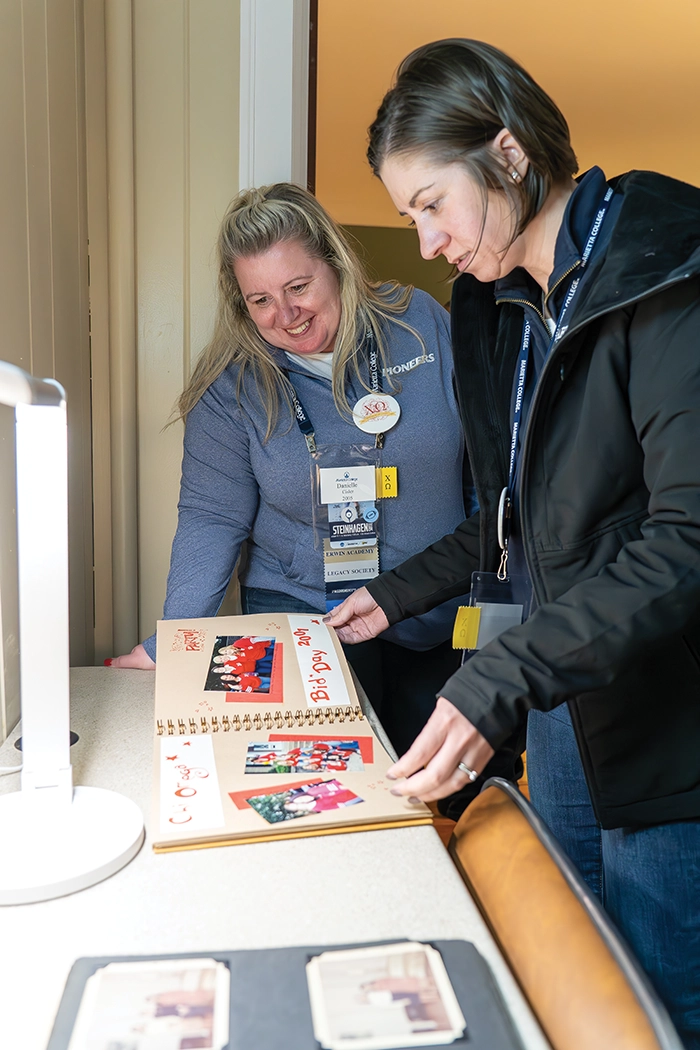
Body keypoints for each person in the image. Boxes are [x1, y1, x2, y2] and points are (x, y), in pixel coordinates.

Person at [325, 38, 700, 1044]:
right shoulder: (502, 312)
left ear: (506, 153)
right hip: (564, 703)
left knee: (654, 1000)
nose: (430, 241)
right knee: (559, 980)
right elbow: (507, 521)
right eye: (411, 216)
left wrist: (503, 675)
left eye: (432, 204)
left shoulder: (668, 275)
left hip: (669, 724)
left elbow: (686, 540)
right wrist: (398, 596)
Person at [108, 182, 480, 772]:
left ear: (337, 265)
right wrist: (175, 644)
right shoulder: (232, 389)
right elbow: (211, 519)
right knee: (327, 782)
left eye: (298, 286)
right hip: (307, 610)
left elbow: (485, 460)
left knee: (439, 786)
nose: (285, 315)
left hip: (431, 603)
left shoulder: (418, 325)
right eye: (259, 301)